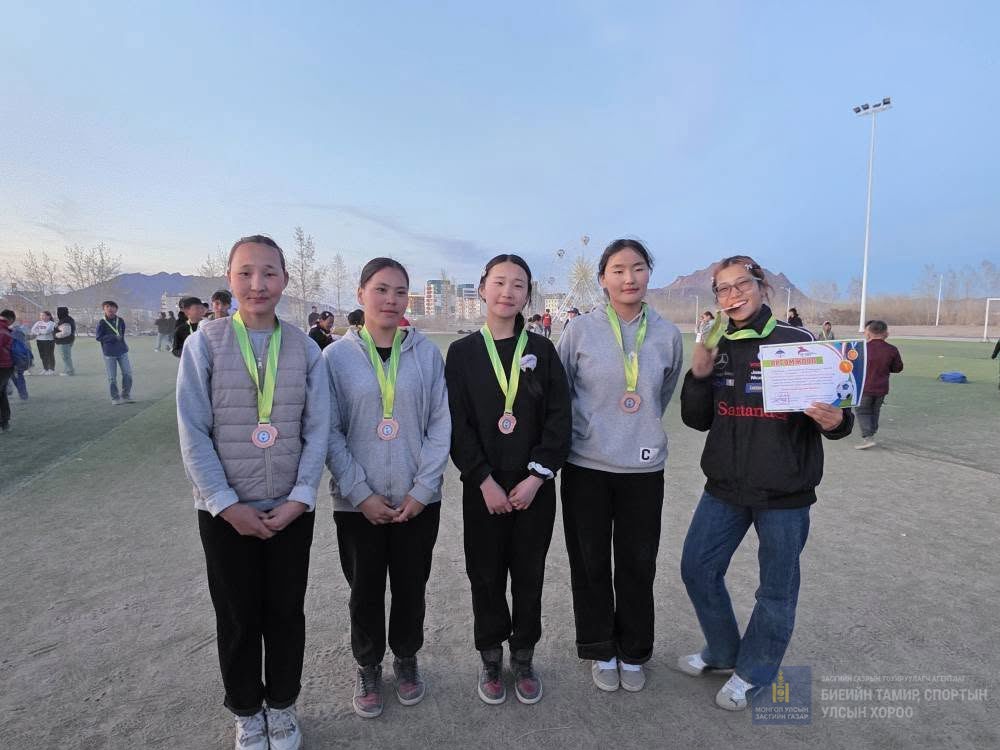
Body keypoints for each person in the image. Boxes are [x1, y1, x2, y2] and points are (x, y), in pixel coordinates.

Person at [677, 255, 853, 711]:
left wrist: (837, 421)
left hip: (784, 492)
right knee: (697, 568)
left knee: (775, 590)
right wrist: (700, 370)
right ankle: (723, 651)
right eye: (723, 288)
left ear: (762, 287)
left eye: (742, 285)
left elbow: (837, 413)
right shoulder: (715, 342)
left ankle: (753, 671)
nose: (733, 295)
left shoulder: (797, 340)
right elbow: (696, 419)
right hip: (725, 485)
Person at [177, 234, 329, 750]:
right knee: (238, 616)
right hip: (224, 514)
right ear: (229, 279)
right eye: (245, 273)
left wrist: (301, 496)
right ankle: (246, 710)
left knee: (285, 613)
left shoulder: (305, 348)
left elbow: (317, 429)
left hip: (290, 510)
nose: (257, 283)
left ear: (285, 279)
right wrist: (224, 504)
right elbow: (193, 432)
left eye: (269, 272)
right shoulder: (204, 343)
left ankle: (282, 707)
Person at [324, 258, 450, 719]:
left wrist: (423, 488)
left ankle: (407, 657)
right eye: (381, 289)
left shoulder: (426, 354)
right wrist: (360, 492)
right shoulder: (334, 359)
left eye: (400, 292)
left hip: (418, 501)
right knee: (365, 590)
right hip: (358, 504)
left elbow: (440, 423)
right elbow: (328, 431)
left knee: (412, 586)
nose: (391, 300)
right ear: (360, 294)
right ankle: (368, 665)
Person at [556, 238, 683, 693]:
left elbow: (662, 393)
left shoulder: (667, 334)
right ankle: (599, 648)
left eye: (638, 268)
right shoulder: (579, 331)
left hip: (643, 470)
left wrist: (637, 430)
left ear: (649, 273)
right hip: (586, 467)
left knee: (638, 564)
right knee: (590, 563)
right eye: (618, 270)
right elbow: (561, 391)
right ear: (603, 279)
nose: (629, 278)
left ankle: (634, 650)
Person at [445, 254, 571, 706]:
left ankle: (523, 655)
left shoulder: (543, 350)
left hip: (533, 490)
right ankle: (490, 657)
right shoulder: (462, 353)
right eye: (499, 282)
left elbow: (559, 418)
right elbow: (456, 424)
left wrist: (536, 477)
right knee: (485, 574)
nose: (508, 292)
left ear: (527, 295)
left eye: (518, 284)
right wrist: (483, 480)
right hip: (483, 490)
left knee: (529, 575)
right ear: (482, 288)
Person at [855, 320, 903, 450]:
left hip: (865, 387)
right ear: (885, 333)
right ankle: (872, 431)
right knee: (875, 410)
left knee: (863, 411)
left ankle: (868, 437)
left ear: (869, 332)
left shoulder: (861, 348)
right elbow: (898, 368)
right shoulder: (892, 349)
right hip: (882, 388)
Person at [96, 301, 134, 405]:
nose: (110, 308)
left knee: (127, 374)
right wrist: (113, 337)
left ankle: (126, 395)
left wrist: (122, 342)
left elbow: (122, 333)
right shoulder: (102, 322)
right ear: (104, 309)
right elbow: (98, 337)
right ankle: (115, 397)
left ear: (116, 309)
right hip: (109, 353)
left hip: (122, 351)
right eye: (107, 307)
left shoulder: (120, 320)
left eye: (112, 307)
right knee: (112, 378)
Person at [2, 310, 31, 399]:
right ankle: (21, 394)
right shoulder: (11, 330)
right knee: (15, 376)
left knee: (16, 376)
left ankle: (22, 394)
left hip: (12, 359)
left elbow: (20, 347)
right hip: (11, 359)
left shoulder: (15, 331)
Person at [0, 311, 15, 431]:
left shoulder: (3, 330)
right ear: (10, 319)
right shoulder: (5, 330)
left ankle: (4, 421)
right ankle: (4, 421)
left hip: (3, 365)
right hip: (6, 365)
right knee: (2, 393)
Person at [54, 306, 76, 376]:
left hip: (64, 341)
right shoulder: (67, 319)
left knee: (66, 357)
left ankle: (69, 371)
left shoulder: (65, 320)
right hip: (66, 341)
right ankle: (67, 369)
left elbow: (66, 332)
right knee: (66, 356)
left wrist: (55, 335)